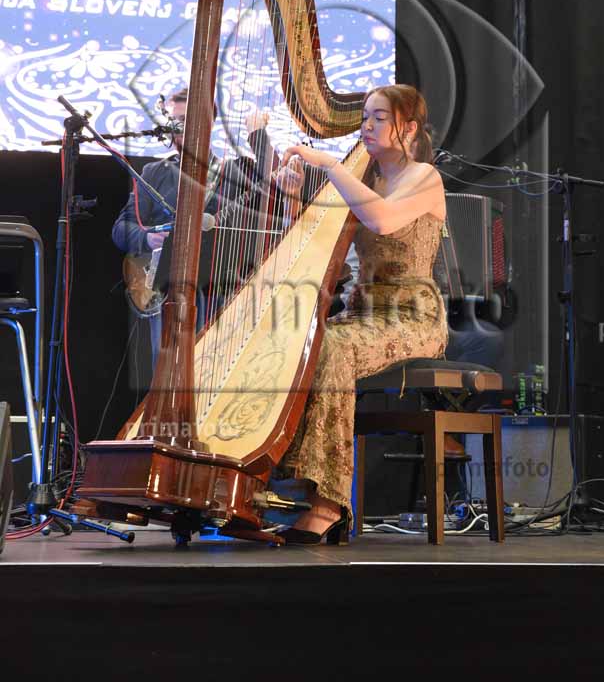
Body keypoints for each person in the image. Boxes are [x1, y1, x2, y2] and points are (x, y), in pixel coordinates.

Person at [276, 84, 448, 544]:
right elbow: (313, 247)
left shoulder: (424, 176)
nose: (366, 126)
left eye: (378, 118)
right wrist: (292, 198)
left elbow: (384, 220)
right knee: (298, 343)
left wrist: (331, 166)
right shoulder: (363, 178)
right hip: (363, 311)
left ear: (408, 128)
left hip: (413, 315)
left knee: (332, 347)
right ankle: (281, 489)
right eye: (364, 117)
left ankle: (329, 504)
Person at [112, 87, 298, 368]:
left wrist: (257, 136)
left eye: (187, 121)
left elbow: (273, 179)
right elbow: (120, 229)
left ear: (209, 124)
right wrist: (150, 238)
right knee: (169, 373)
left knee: (215, 367)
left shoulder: (237, 171)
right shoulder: (154, 173)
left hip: (222, 292)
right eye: (174, 121)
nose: (178, 128)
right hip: (167, 292)